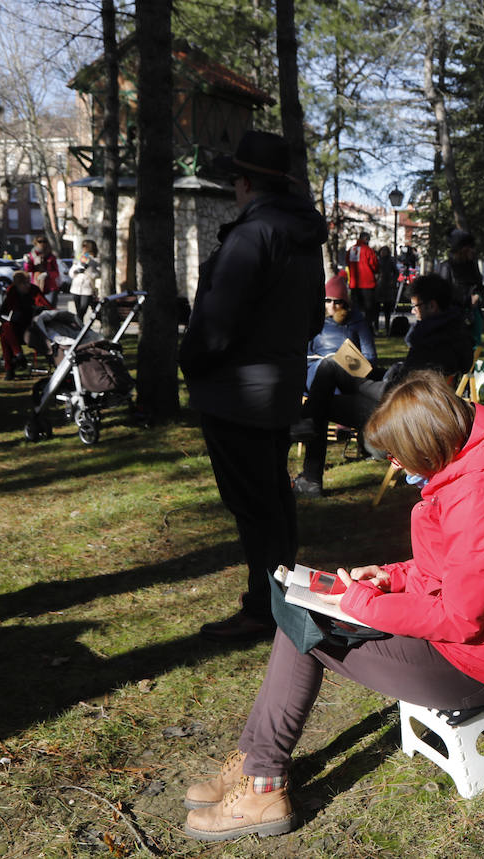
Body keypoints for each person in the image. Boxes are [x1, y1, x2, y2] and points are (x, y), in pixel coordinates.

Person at [181, 370, 484, 841]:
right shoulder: (465, 476)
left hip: (471, 667)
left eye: (395, 453)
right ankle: (257, 762)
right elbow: (442, 570)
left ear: (427, 441)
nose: (392, 463)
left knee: (303, 631)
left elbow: (462, 616)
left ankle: (264, 783)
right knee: (302, 615)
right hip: (454, 647)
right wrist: (389, 576)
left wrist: (363, 603)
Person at [179, 130, 327, 643]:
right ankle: (279, 600)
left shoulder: (253, 235)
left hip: (237, 394)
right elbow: (312, 319)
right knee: (273, 500)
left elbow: (215, 326)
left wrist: (190, 362)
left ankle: (266, 610)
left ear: (243, 182)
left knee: (255, 507)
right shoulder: (303, 238)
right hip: (276, 388)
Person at [294, 273, 472, 496]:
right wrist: (376, 375)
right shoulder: (447, 335)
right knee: (332, 366)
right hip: (406, 405)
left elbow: (400, 394)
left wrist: (361, 383)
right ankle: (306, 428)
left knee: (325, 392)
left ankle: (310, 469)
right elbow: (407, 383)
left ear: (433, 306)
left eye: (416, 306)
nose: (413, 311)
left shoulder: (432, 344)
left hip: (400, 417)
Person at [290, 275, 378, 498]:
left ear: (345, 303)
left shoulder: (357, 323)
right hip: (316, 377)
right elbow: (304, 353)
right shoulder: (315, 323)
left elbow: (370, 360)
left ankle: (305, 419)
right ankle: (311, 479)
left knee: (324, 390)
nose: (330, 305)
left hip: (349, 379)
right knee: (323, 378)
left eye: (336, 301)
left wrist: (343, 361)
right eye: (327, 300)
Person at [0, 272, 51, 380]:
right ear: (17, 285)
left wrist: (35, 309)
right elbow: (0, 314)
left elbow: (46, 307)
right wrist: (9, 317)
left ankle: (11, 366)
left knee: (5, 335)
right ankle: (18, 356)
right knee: (6, 327)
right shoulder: (12, 293)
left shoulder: (34, 290)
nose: (27, 285)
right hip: (16, 327)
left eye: (28, 282)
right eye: (24, 284)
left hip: (31, 327)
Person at [437, 229, 484, 348]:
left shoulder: (472, 266)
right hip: (455, 318)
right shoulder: (446, 267)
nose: (473, 251)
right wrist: (468, 300)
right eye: (470, 248)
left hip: (473, 316)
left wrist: (478, 296)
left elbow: (480, 287)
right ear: (463, 249)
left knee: (474, 350)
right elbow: (443, 295)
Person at [345, 231, 378, 327]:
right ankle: (367, 329)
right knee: (368, 309)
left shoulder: (351, 250)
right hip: (367, 284)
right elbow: (375, 266)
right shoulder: (368, 250)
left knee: (355, 308)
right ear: (366, 239)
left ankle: (355, 327)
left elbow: (347, 263)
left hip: (354, 284)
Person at [23, 236, 61, 304]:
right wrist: (27, 262)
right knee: (37, 309)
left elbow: (56, 272)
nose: (42, 243)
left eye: (44, 241)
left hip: (50, 287)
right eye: (40, 241)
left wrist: (48, 274)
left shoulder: (51, 256)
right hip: (36, 284)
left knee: (50, 309)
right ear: (35, 243)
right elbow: (28, 270)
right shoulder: (31, 255)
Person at [68, 239, 99, 318]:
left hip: (87, 288)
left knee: (82, 310)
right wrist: (75, 272)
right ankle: (80, 327)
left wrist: (88, 270)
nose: (84, 248)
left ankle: (79, 326)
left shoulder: (96, 259)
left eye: (86, 246)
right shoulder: (80, 257)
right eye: (83, 246)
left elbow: (98, 274)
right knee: (78, 310)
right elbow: (71, 271)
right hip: (76, 287)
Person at [374, 245, 395, 332]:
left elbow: (396, 272)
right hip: (378, 287)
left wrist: (392, 280)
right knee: (376, 310)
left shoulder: (390, 261)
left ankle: (387, 327)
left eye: (385, 251)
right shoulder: (377, 261)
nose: (383, 253)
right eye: (382, 251)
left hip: (387, 288)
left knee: (387, 310)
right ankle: (376, 327)